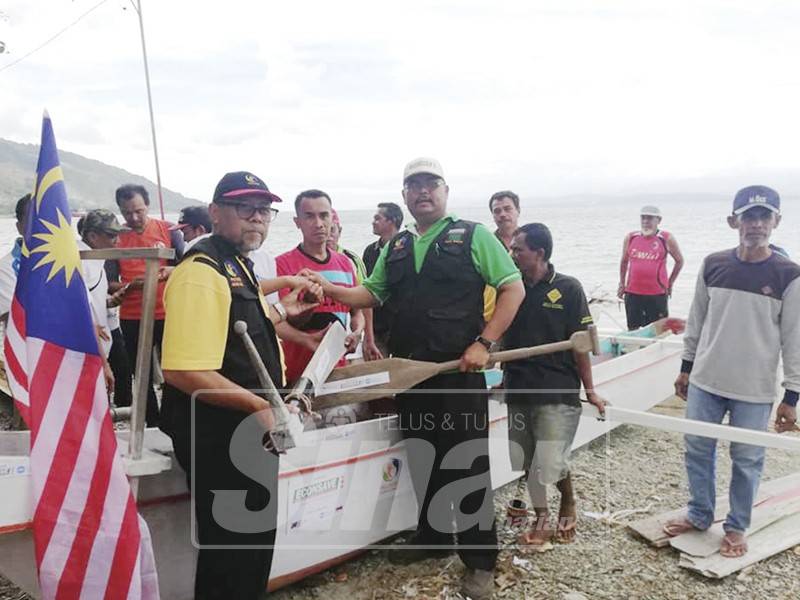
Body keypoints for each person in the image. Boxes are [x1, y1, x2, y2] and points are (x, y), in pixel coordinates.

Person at [301, 158, 524, 600]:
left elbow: (512, 287)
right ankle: (435, 538)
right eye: (414, 185)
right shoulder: (398, 245)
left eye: (431, 184)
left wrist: (484, 342)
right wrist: (329, 289)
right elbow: (372, 292)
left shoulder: (473, 235)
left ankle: (480, 560)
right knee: (424, 458)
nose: (423, 191)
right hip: (410, 375)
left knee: (467, 464)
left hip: (457, 372)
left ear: (445, 191)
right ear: (404, 195)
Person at [160, 171, 320, 600]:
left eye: (264, 210)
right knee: (234, 551)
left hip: (247, 430)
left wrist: (285, 309)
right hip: (221, 434)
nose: (257, 218)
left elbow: (239, 327)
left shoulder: (236, 264)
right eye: (244, 207)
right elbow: (182, 370)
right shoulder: (202, 270)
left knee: (249, 546)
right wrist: (258, 406)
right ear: (215, 212)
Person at [664, 185, 800, 558]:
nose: (756, 224)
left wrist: (791, 396)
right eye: (748, 216)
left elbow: (794, 339)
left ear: (776, 221)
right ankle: (699, 513)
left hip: (754, 389)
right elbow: (696, 320)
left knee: (748, 459)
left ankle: (737, 526)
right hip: (706, 381)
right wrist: (686, 368)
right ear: (733, 221)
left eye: (764, 216)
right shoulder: (713, 264)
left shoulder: (789, 275)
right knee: (697, 450)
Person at [504, 223, 605, 547]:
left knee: (548, 460)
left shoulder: (568, 288)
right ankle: (543, 514)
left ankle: (565, 503)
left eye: (518, 249)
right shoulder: (511, 288)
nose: (512, 254)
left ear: (539, 253)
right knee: (526, 459)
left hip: (557, 387)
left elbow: (581, 345)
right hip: (518, 386)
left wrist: (590, 390)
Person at [113, 183, 185, 426]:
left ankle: (175, 419)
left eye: (139, 211)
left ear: (147, 205)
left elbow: (187, 268)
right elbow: (110, 283)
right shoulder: (116, 237)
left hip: (167, 311)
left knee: (175, 370)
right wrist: (132, 285)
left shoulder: (169, 230)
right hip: (132, 315)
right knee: (141, 373)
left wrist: (169, 272)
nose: (133, 218)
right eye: (127, 213)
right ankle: (153, 423)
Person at [276, 190, 364, 384]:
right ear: (297, 222)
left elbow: (357, 312)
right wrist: (308, 306)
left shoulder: (345, 263)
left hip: (337, 369)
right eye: (309, 216)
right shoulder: (282, 265)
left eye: (324, 215)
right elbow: (280, 322)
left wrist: (357, 333)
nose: (318, 223)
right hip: (296, 372)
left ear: (332, 218)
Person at [77, 209, 130, 399]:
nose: (117, 241)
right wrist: (104, 364)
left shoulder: (95, 258)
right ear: (92, 236)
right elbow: (80, 312)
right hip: (88, 351)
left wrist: (110, 302)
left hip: (98, 347)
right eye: (111, 235)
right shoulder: (80, 261)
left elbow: (91, 301)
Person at [618, 205, 684, 330]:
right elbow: (624, 261)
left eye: (649, 218)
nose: (645, 221)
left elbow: (679, 261)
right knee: (633, 329)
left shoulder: (666, 238)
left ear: (658, 220)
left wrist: (670, 283)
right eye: (643, 218)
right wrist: (622, 284)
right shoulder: (631, 237)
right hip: (633, 293)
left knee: (658, 330)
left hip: (657, 294)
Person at [362, 202, 403, 360]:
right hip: (377, 327)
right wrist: (368, 335)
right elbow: (366, 291)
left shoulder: (408, 246)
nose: (373, 222)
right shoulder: (370, 251)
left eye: (378, 218)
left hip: (402, 326)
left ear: (392, 221)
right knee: (377, 371)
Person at [484, 191, 521, 322]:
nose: (503, 214)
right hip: (495, 313)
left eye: (507, 209)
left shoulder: (531, 242)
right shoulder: (486, 244)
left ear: (518, 210)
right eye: (497, 211)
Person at [0, 194, 31, 322]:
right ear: (19, 227)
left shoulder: (66, 264)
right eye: (34, 221)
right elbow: (14, 320)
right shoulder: (5, 269)